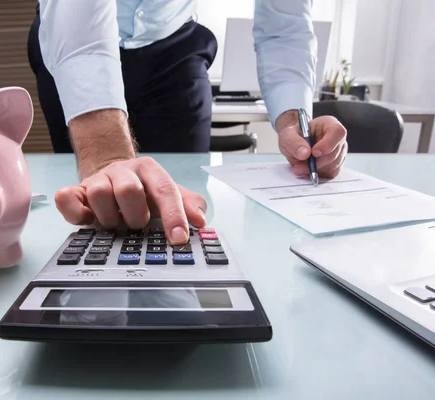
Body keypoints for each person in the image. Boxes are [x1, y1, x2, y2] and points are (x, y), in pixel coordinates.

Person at [27, 0, 348, 245]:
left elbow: (284, 26)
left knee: (180, 206)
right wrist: (106, 157)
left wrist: (293, 121)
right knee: (103, 203)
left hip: (173, 42)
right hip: (73, 34)